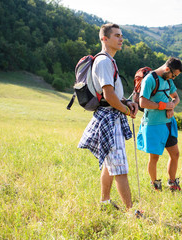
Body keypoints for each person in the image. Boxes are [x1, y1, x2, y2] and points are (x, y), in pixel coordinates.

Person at [78, 23, 138, 211]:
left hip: (111, 115)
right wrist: (127, 111)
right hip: (110, 117)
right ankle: (131, 212)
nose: (121, 39)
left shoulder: (109, 60)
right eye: (117, 36)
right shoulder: (104, 61)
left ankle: (105, 201)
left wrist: (127, 103)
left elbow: (114, 95)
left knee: (110, 162)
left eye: (121, 36)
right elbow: (109, 96)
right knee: (119, 167)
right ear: (104, 38)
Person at [136, 57, 182, 191]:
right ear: (167, 69)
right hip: (153, 124)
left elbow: (176, 98)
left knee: (175, 154)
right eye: (173, 75)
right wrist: (163, 106)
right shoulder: (150, 80)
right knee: (154, 157)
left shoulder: (168, 80)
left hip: (169, 123)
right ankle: (155, 184)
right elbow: (143, 103)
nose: (173, 78)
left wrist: (171, 107)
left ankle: (173, 183)